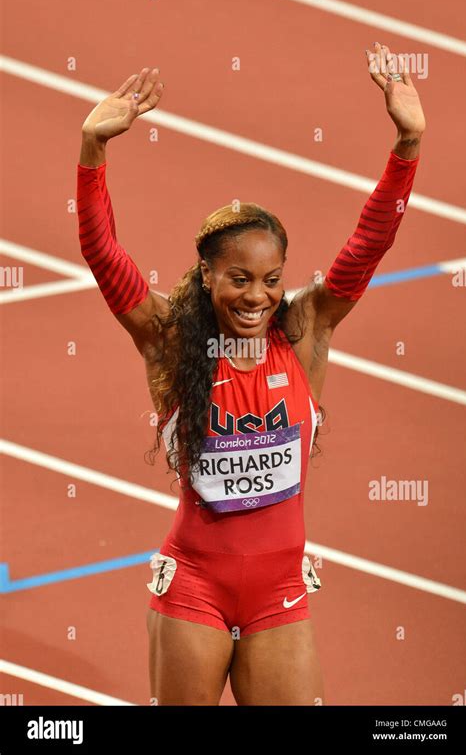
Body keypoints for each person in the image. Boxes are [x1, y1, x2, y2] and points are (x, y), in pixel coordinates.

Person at [76, 45, 425, 706]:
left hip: (280, 593)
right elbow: (102, 253)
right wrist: (93, 151)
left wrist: (406, 144)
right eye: (238, 279)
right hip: (194, 589)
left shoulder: (305, 332)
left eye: (270, 279)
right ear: (207, 275)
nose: (256, 296)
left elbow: (368, 243)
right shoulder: (169, 340)